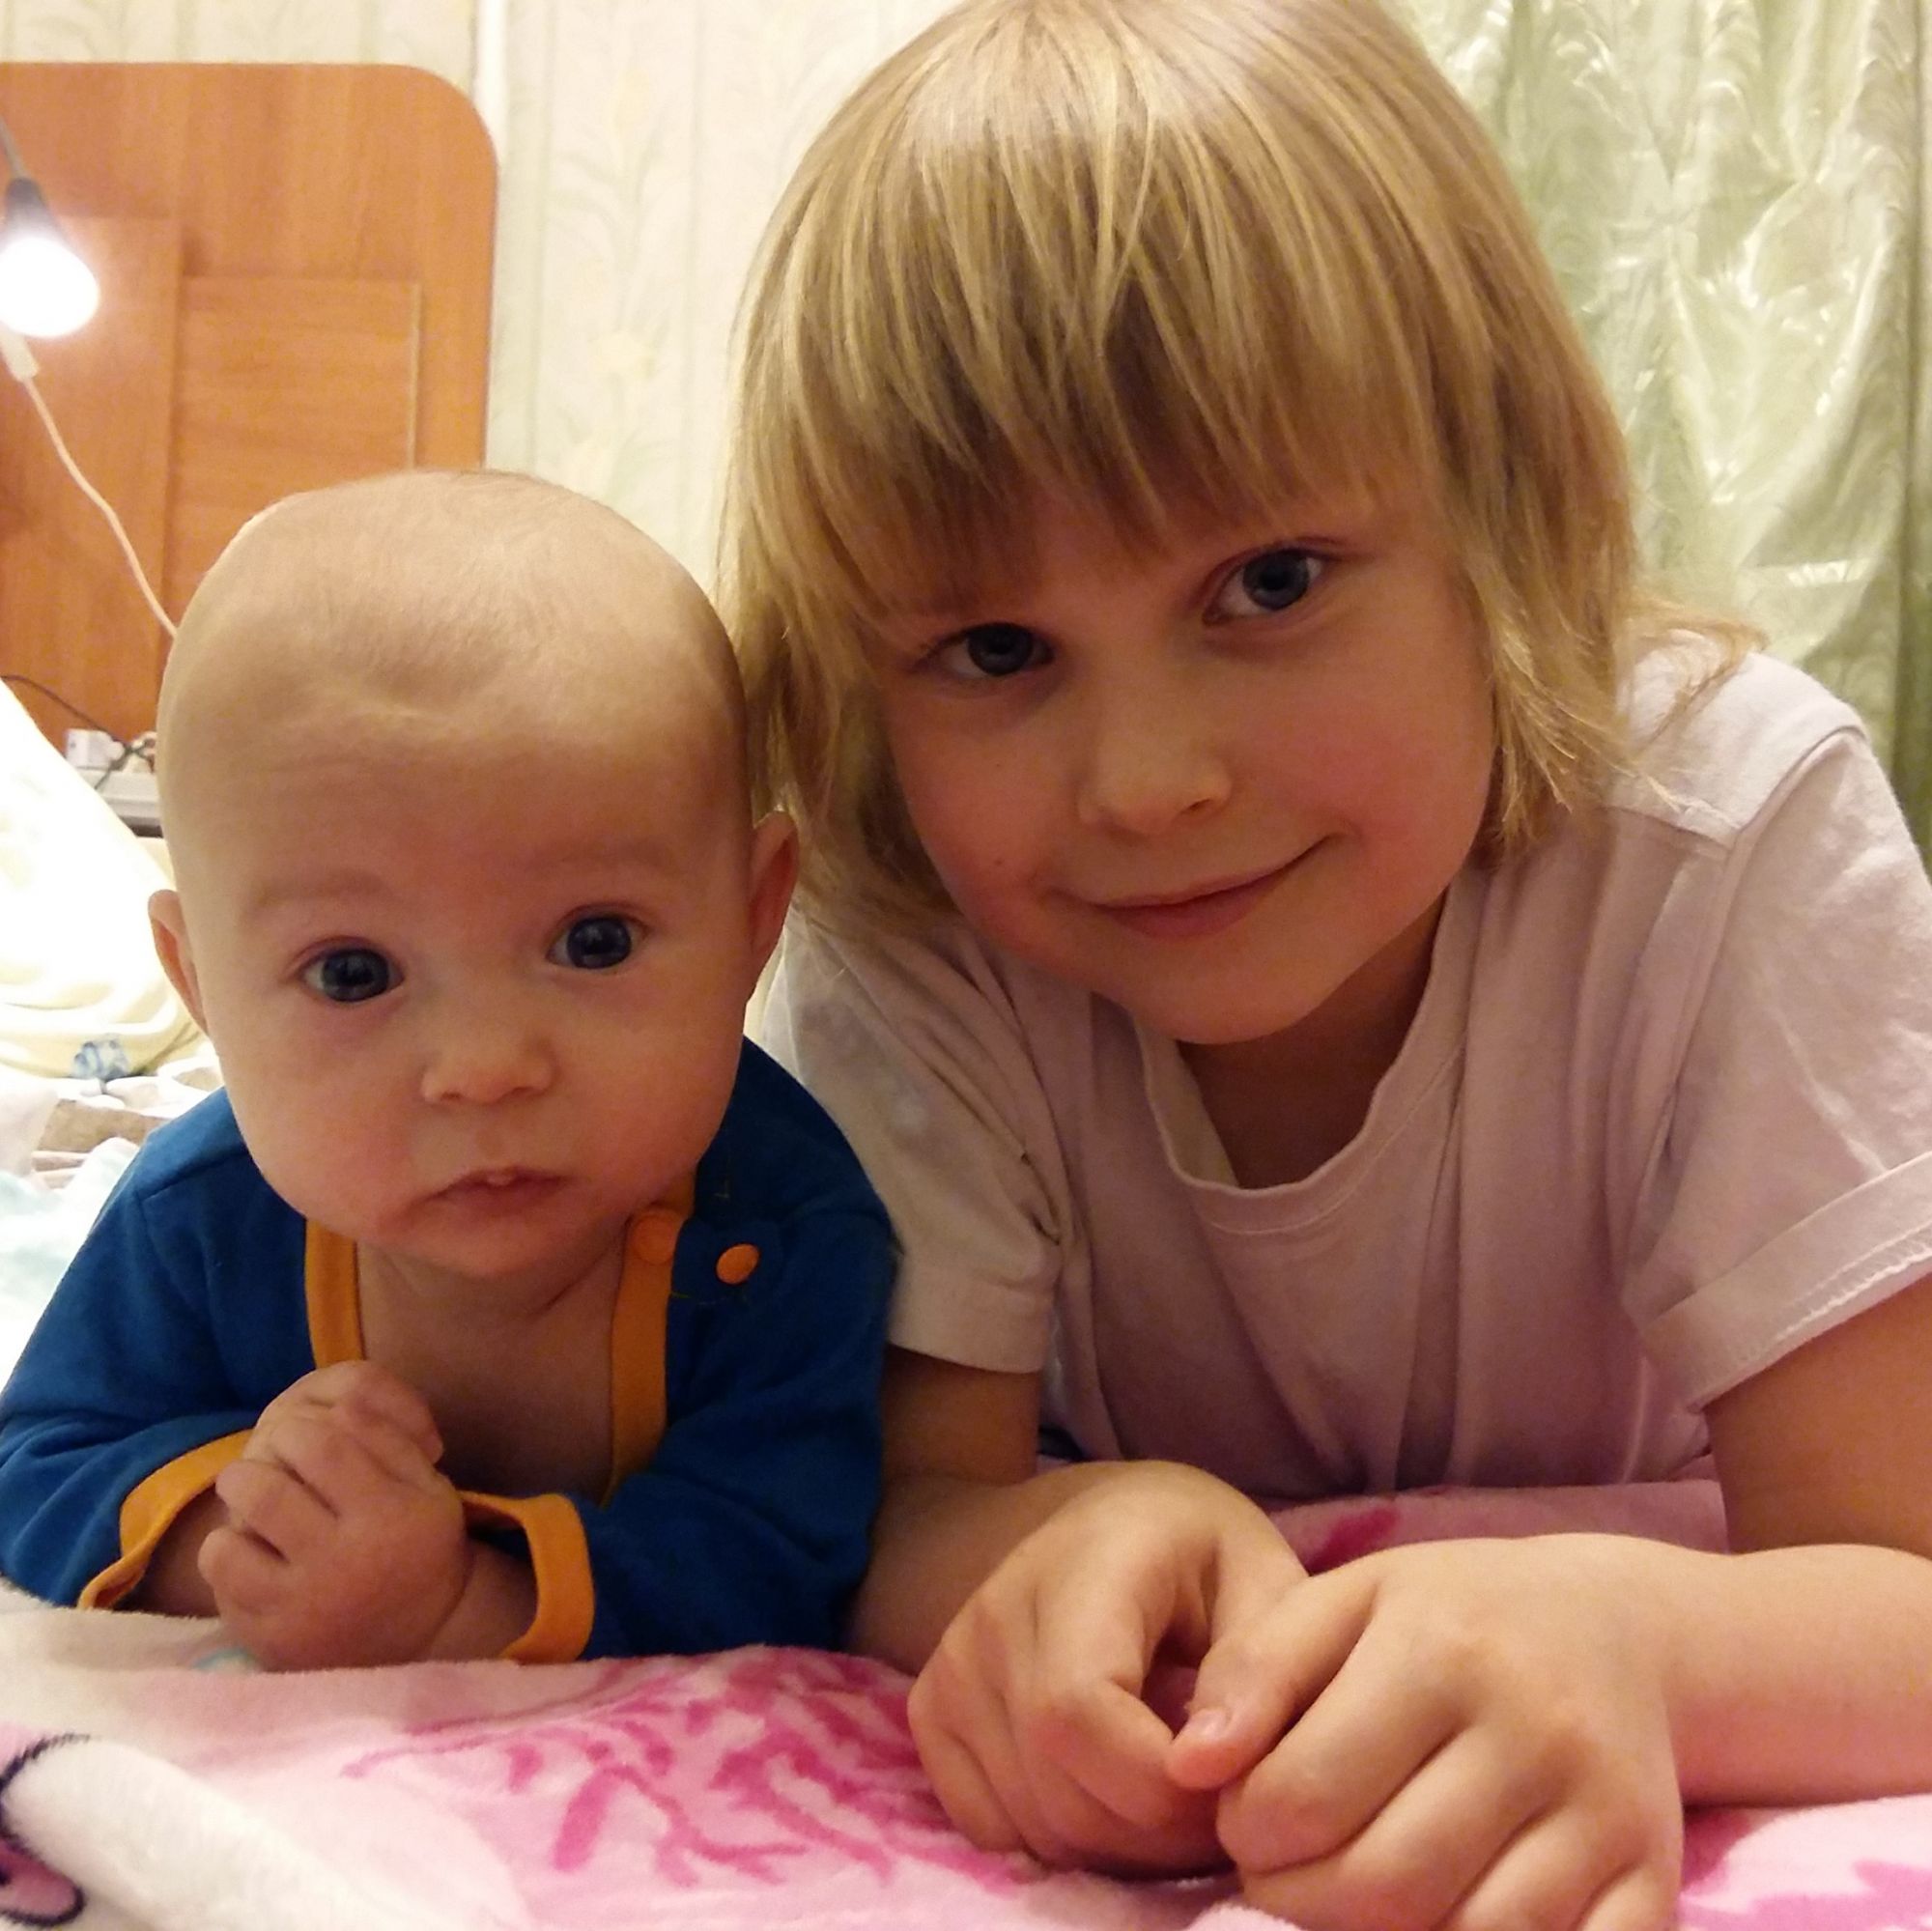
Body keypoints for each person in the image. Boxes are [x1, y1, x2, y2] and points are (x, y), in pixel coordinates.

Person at [718, 1, 1932, 1925]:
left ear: (1511, 511)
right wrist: (1066, 1535)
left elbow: (1905, 1582)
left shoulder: (1729, 837)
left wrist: (1645, 1641)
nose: (1148, 783)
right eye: (996, 651)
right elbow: (898, 1509)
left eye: (1267, 584)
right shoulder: (915, 911)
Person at [0, 469, 895, 1673]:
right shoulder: (197, 1217)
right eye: (352, 973)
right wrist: (245, 1527)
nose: (483, 1069)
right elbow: (38, 1458)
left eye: (594, 941)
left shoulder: (784, 1226)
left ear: (751, 919)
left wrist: (461, 1603)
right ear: (199, 984)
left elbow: (787, 1545)